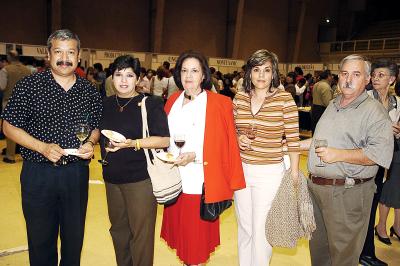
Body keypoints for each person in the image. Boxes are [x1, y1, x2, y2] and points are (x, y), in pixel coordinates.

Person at [1, 29, 102, 266]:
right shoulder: (30, 86)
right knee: (40, 240)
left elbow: (95, 126)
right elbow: (9, 127)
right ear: (49, 54)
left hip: (76, 174)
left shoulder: (89, 91)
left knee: (73, 240)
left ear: (78, 57)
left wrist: (90, 142)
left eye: (70, 52)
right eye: (58, 52)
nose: (64, 58)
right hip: (38, 174)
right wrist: (42, 147)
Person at [305, 54, 393, 266]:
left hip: (346, 194)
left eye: (356, 74)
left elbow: (379, 154)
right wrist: (295, 145)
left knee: (343, 257)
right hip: (318, 191)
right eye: (344, 74)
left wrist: (339, 155)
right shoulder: (334, 104)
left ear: (366, 79)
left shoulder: (374, 111)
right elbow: (324, 142)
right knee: (320, 254)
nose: (348, 79)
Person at [161, 50, 245, 266]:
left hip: (200, 185)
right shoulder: (172, 101)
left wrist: (195, 155)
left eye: (195, 71)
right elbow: (164, 138)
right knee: (184, 244)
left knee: (196, 248)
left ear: (204, 75)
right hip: (174, 182)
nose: (189, 76)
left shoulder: (220, 103)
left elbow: (226, 145)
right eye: (184, 70)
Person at [99, 55, 170, 266]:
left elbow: (163, 139)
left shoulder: (150, 103)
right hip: (112, 178)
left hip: (140, 180)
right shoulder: (106, 104)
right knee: (119, 232)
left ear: (138, 78)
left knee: (141, 235)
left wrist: (133, 143)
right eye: (118, 74)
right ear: (112, 77)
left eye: (129, 75)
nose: (123, 80)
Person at [233, 49, 300, 265]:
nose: (261, 75)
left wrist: (295, 172)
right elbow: (232, 130)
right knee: (245, 227)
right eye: (256, 70)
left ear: (274, 74)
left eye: (267, 70)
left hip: (269, 172)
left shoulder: (284, 99)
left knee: (261, 231)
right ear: (249, 73)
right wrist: (238, 138)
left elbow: (293, 139)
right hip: (241, 170)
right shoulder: (240, 97)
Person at [361, 59, 400, 266]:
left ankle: (365, 252)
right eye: (374, 74)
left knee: (372, 206)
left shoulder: (397, 103)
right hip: (365, 160)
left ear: (392, 79)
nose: (375, 78)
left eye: (381, 75)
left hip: (384, 161)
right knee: (365, 208)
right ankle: (365, 253)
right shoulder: (365, 98)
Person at [0, 50, 31, 163]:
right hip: (26, 103)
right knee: (26, 129)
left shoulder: (5, 70)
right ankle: (26, 154)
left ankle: (10, 156)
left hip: (10, 102)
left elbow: (2, 86)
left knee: (10, 129)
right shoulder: (28, 70)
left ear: (9, 58)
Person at [310, 69, 333, 134]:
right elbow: (328, 103)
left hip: (314, 108)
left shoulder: (316, 84)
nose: (332, 77)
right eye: (331, 75)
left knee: (315, 130)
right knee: (322, 131)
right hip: (322, 110)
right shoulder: (326, 86)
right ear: (328, 76)